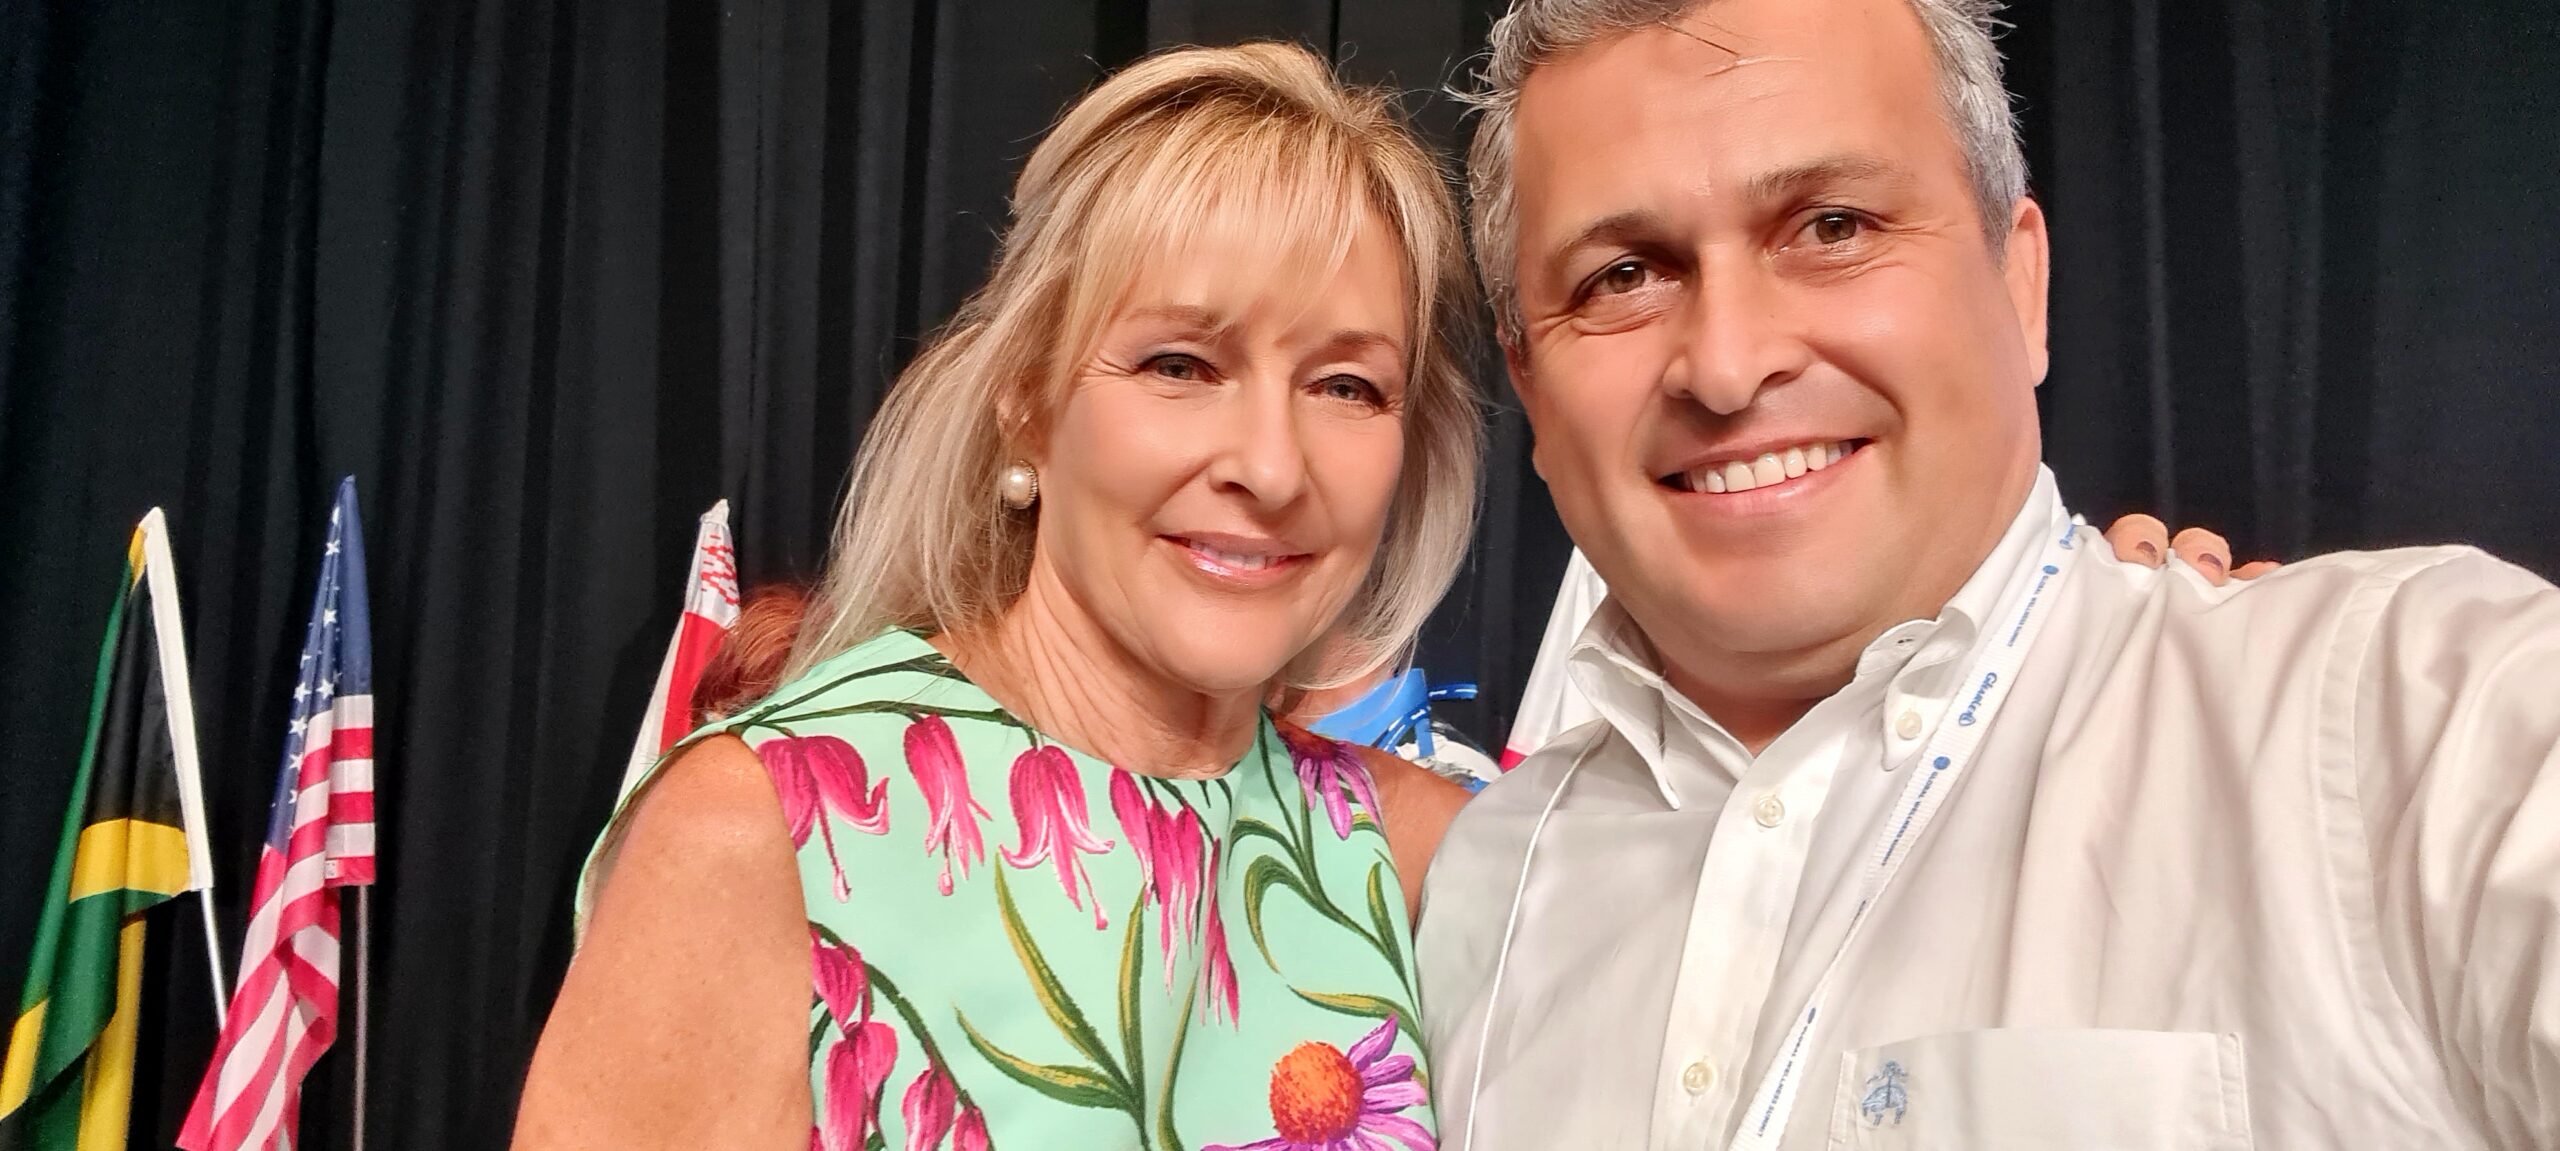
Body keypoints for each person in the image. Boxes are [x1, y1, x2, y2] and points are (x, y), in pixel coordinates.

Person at [1418, 1, 2560, 1149]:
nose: (1726, 364)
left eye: (1831, 225)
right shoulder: (1470, 895)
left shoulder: (2417, 722)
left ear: (2020, 282)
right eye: (1622, 275)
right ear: (1528, 382)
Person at [513, 43, 1479, 1151]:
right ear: (1026, 399)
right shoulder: (759, 834)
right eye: (1179, 365)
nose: (1271, 466)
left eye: (1346, 385)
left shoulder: (1425, 861)